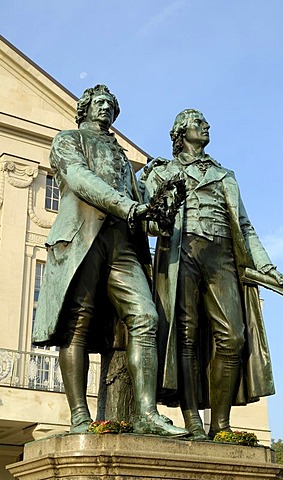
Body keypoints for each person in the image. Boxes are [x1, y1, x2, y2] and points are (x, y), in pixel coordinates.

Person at [32, 84, 187, 437]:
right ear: (85, 108)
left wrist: (158, 212)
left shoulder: (121, 157)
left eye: (110, 105)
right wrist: (130, 206)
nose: (105, 108)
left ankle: (147, 413)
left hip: (122, 244)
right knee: (77, 325)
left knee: (146, 317)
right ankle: (79, 417)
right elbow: (80, 180)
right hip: (80, 240)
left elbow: (140, 213)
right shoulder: (69, 139)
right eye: (98, 102)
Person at [140, 109, 283, 440]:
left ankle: (220, 423)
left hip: (221, 255)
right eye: (198, 123)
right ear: (180, 132)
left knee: (233, 336)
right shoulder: (161, 172)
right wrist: (164, 211)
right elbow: (147, 222)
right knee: (185, 335)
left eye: (205, 124)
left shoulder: (224, 175)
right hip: (181, 251)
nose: (206, 127)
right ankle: (192, 419)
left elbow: (245, 227)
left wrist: (265, 265)